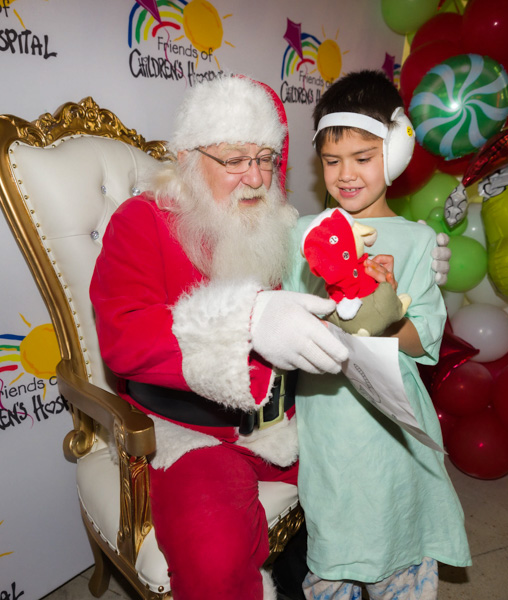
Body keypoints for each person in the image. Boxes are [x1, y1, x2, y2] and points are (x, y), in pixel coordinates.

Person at [90, 75, 449, 600]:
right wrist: (247, 319)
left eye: (266, 158)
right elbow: (124, 335)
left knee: (389, 467)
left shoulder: (284, 225)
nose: (255, 177)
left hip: (292, 417)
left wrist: (418, 259)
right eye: (235, 160)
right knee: (214, 558)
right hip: (194, 435)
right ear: (191, 158)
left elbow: (349, 265)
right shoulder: (142, 221)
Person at [281, 70, 471, 600]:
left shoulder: (416, 241)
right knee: (335, 548)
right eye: (332, 160)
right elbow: (288, 319)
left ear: (395, 155)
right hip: (330, 428)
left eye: (363, 158)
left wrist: (385, 315)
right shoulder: (302, 235)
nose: (346, 175)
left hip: (395, 430)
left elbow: (423, 340)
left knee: (400, 535)